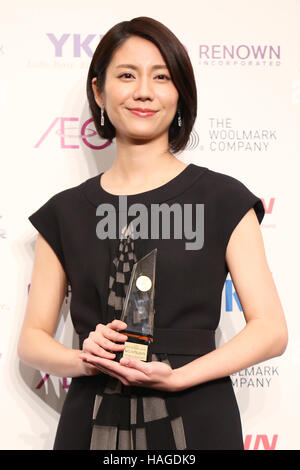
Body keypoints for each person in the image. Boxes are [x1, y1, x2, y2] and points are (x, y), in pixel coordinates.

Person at [18, 16, 288, 450]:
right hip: (93, 420)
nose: (144, 90)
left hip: (199, 414)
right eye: (127, 75)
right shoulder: (65, 212)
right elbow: (32, 340)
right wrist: (85, 357)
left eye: (161, 77)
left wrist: (181, 376)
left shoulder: (223, 199)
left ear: (180, 93)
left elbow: (271, 330)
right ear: (99, 92)